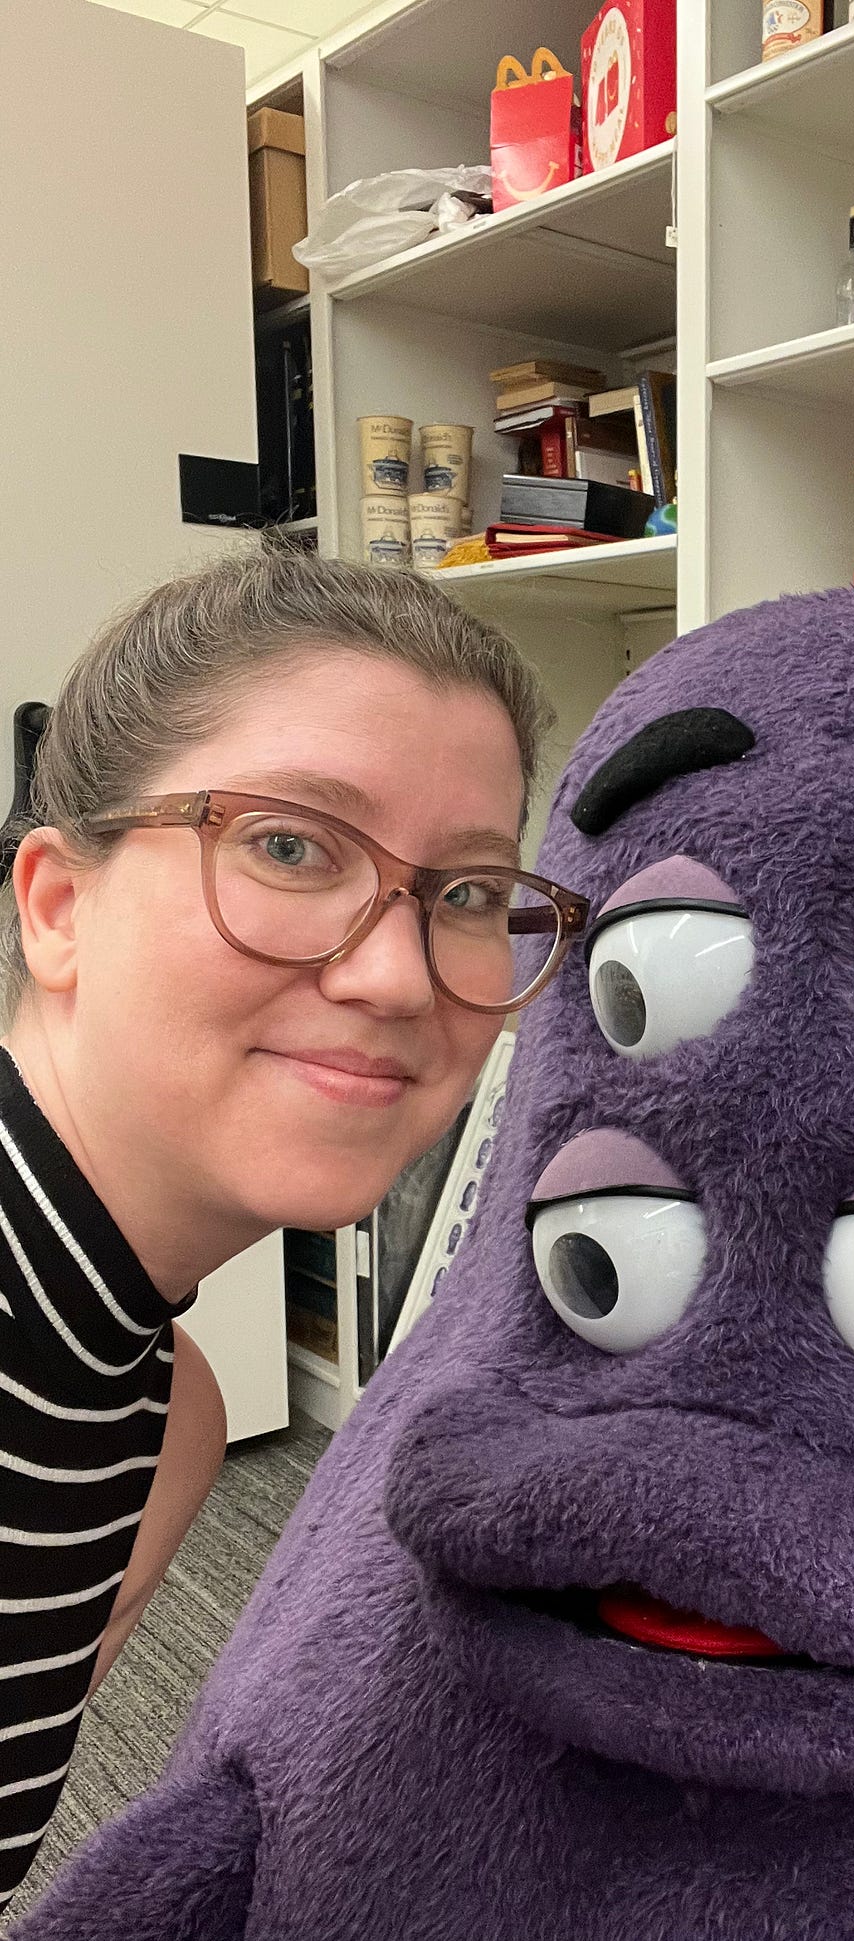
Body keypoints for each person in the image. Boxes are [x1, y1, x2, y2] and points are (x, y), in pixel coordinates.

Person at [0, 548, 585, 1910]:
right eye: (288, 844)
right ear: (58, 906)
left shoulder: (162, 1419)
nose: (394, 976)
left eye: (468, 894)